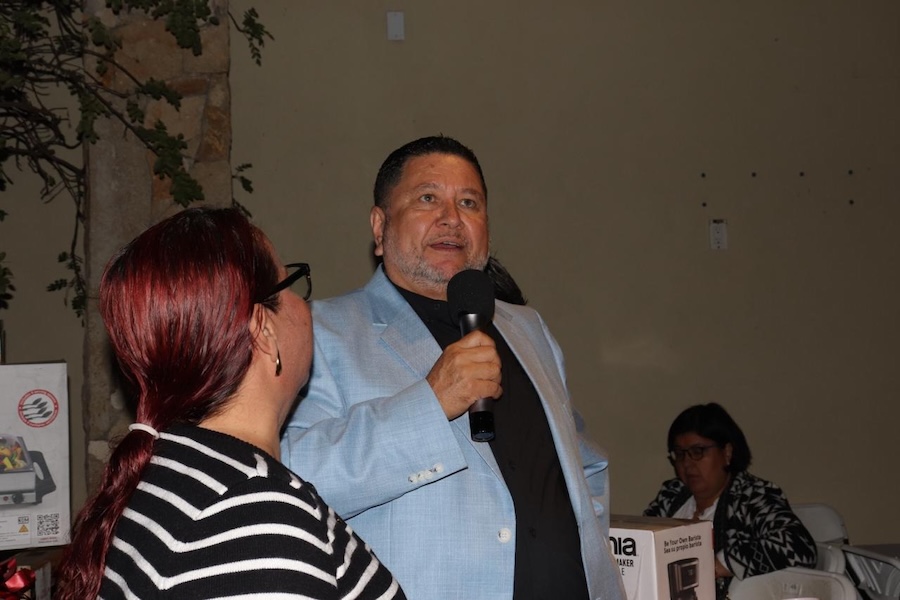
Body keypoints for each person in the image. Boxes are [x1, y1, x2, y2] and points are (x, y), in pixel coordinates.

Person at [281, 135, 625, 599]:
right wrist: (430, 403)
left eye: (469, 203)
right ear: (380, 228)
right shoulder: (322, 331)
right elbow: (293, 478)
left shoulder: (529, 328)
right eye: (428, 198)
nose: (452, 218)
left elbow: (582, 461)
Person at [55, 208, 406, 600]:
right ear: (263, 329)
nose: (305, 305)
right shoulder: (253, 517)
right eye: (290, 285)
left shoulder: (173, 468)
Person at [643, 402, 817, 599]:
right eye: (680, 454)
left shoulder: (752, 496)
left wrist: (722, 563)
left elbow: (799, 547)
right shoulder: (671, 495)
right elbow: (641, 545)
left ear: (727, 452)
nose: (687, 463)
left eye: (698, 451)